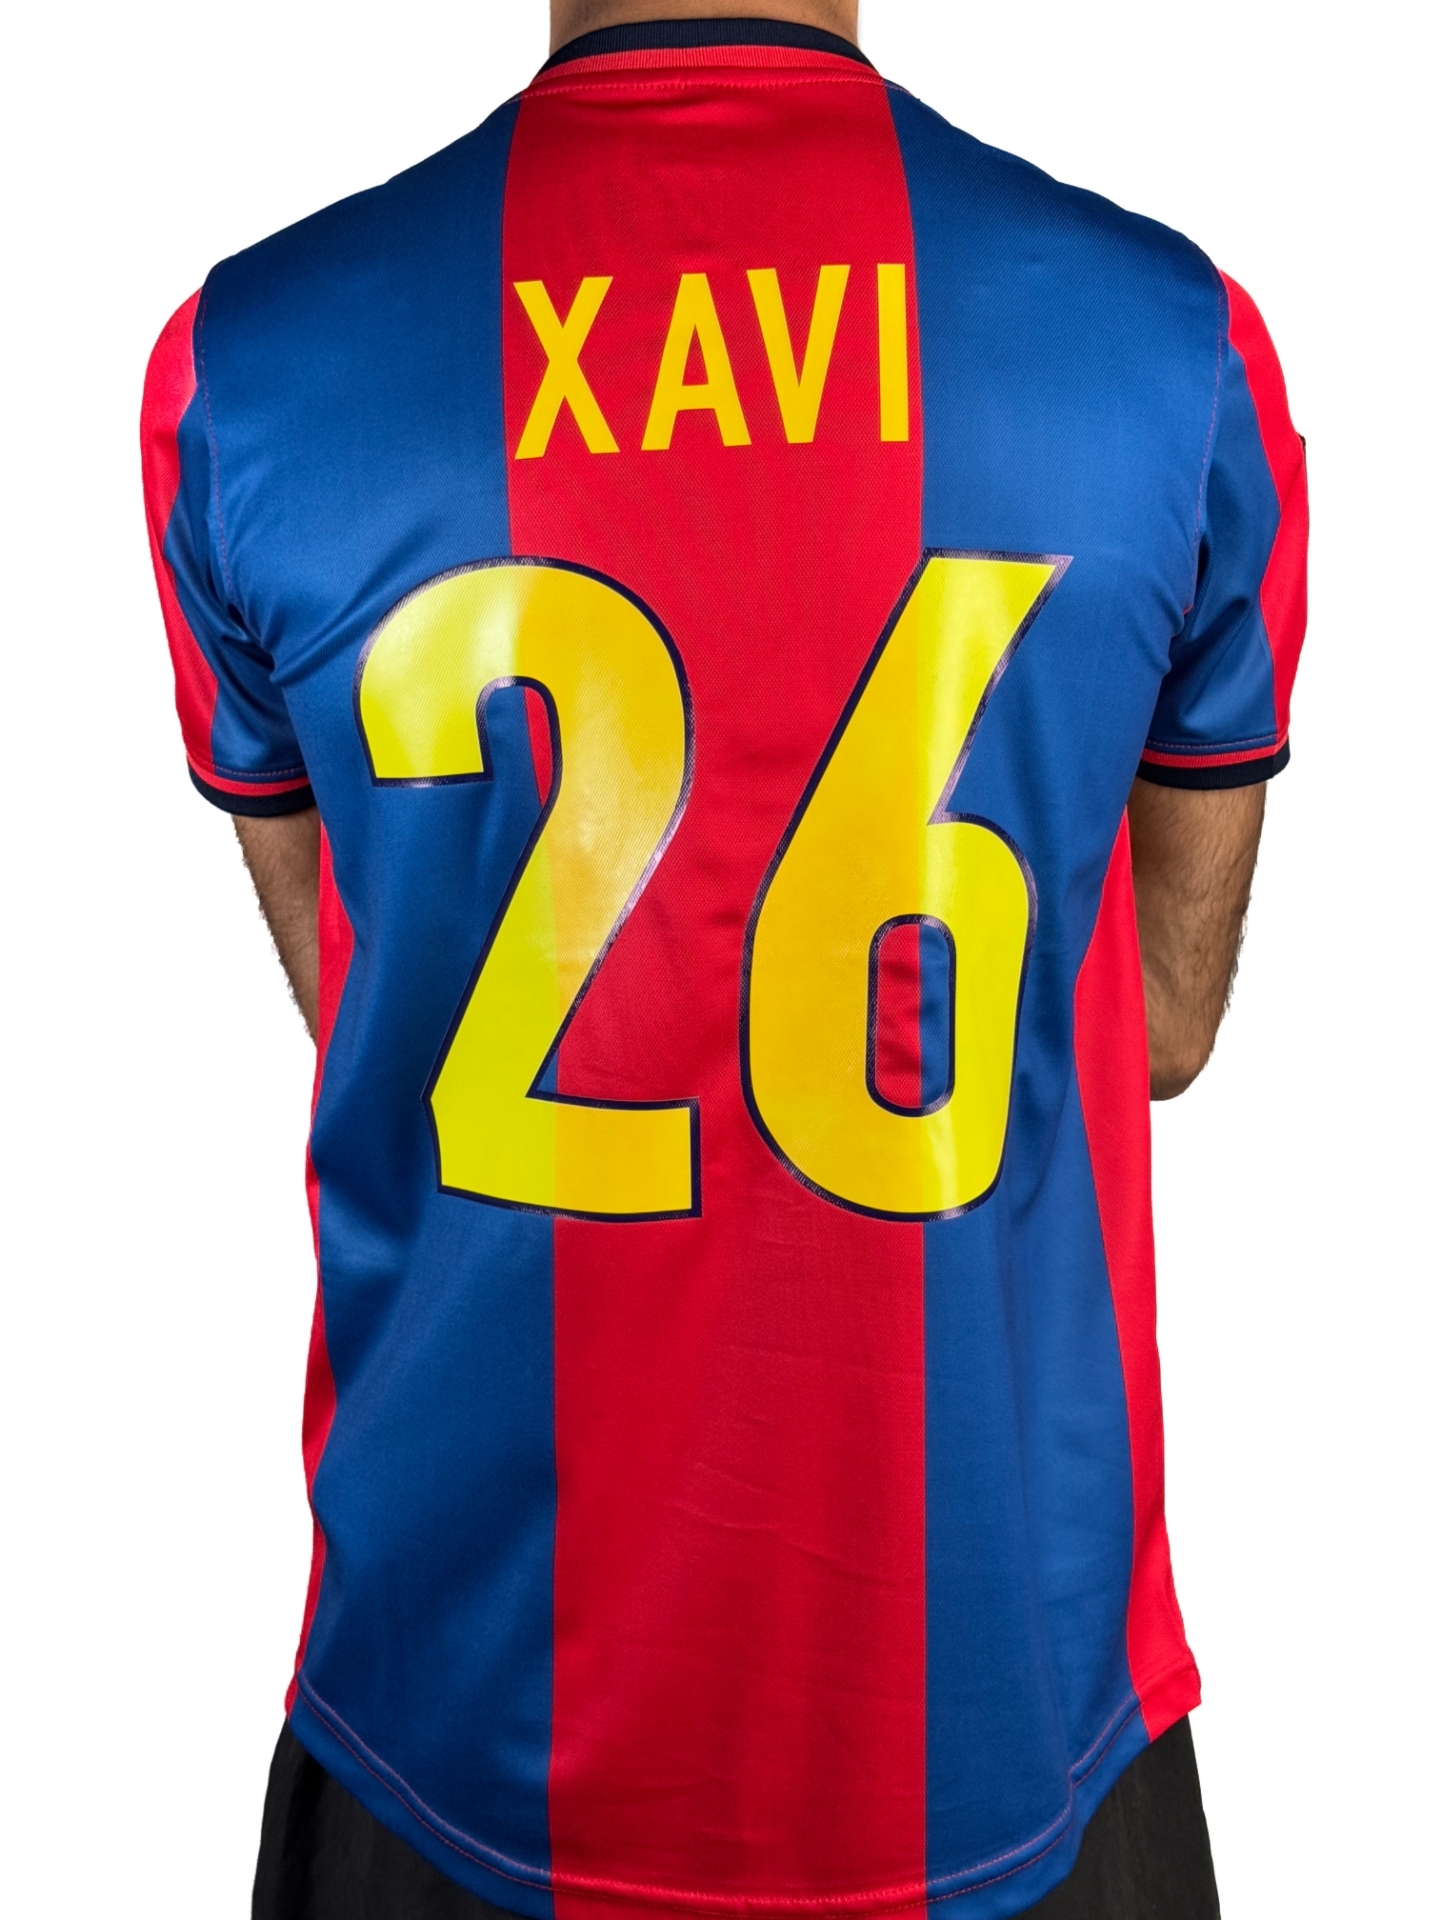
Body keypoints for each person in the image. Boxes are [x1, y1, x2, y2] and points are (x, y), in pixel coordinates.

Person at [140, 3, 1307, 1915]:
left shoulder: (245, 369)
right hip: (1018, 1731)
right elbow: (1161, 1020)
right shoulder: (1173, 349)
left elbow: (370, 1004)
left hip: (444, 1752)